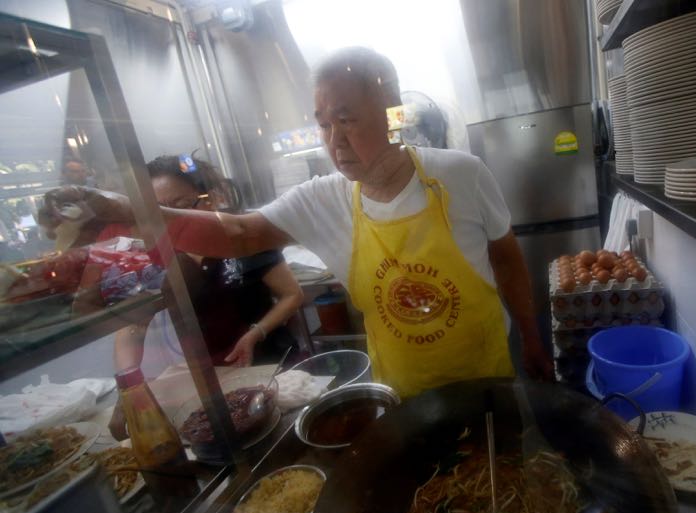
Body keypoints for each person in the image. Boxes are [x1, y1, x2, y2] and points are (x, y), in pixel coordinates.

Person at [44, 47, 553, 399]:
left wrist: (532, 337)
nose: (334, 139)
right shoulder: (324, 199)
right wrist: (124, 211)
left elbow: (505, 256)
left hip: (488, 377)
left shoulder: (459, 174)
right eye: (323, 122)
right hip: (407, 392)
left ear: (393, 113)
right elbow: (236, 233)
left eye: (347, 118)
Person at [107, 155, 304, 440]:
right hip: (210, 380)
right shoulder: (154, 260)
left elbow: (292, 294)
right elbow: (131, 328)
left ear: (208, 200)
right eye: (158, 210)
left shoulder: (242, 238)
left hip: (272, 365)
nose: (170, 218)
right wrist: (127, 388)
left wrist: (255, 333)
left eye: (181, 205)